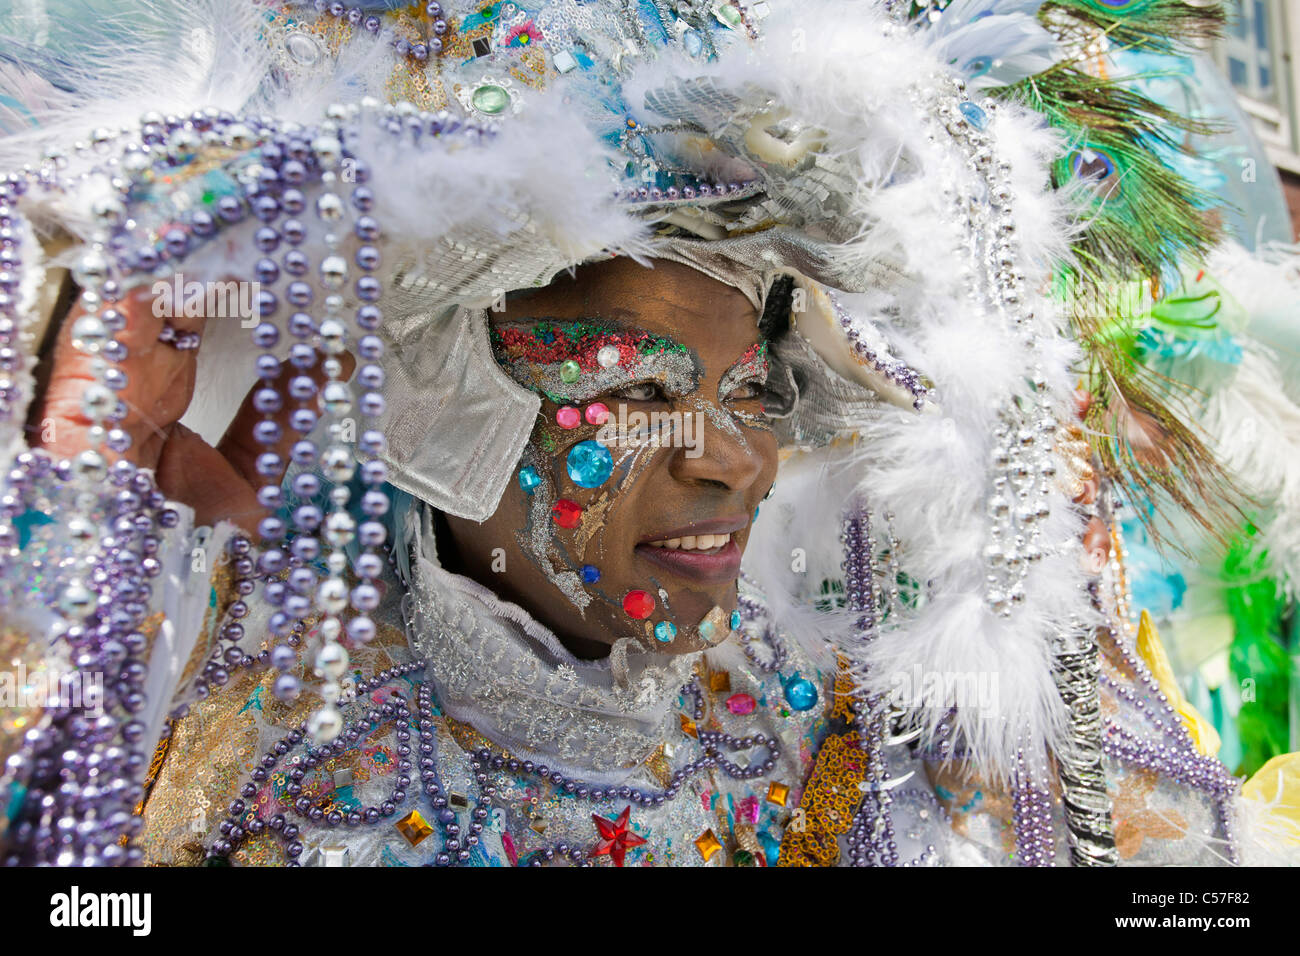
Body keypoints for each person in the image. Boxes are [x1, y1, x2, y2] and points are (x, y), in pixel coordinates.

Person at [0, 0, 1295, 867]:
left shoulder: (817, 719)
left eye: (757, 392)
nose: (729, 456)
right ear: (446, 392)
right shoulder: (244, 732)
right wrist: (76, 519)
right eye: (635, 388)